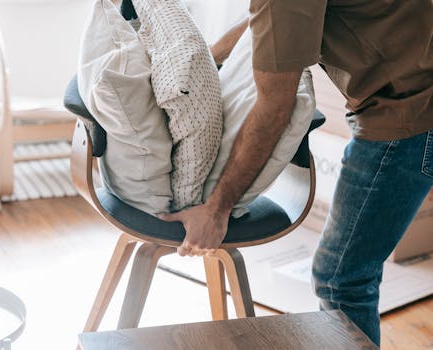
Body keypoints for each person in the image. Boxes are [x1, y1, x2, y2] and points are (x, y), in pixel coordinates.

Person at [159, 0, 433, 346]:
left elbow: (275, 107)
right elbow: (272, 24)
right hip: (417, 94)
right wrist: (207, 59)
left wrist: (217, 210)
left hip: (409, 117)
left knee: (340, 278)